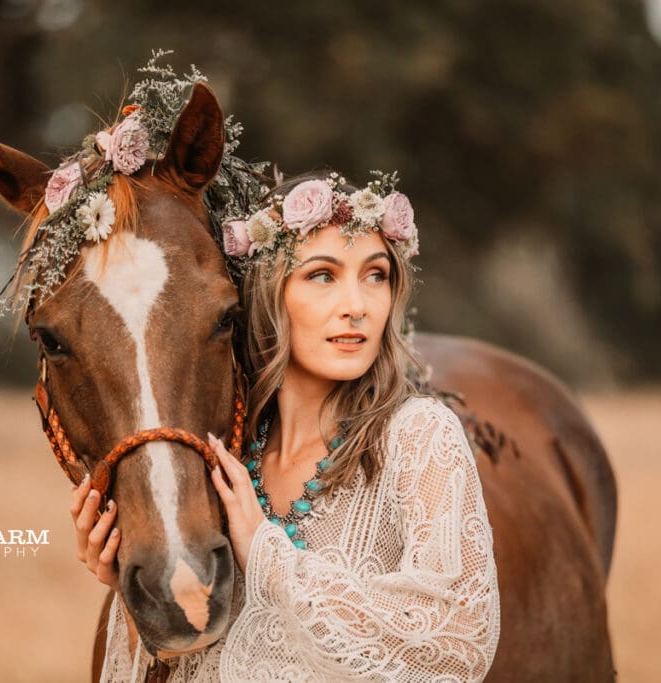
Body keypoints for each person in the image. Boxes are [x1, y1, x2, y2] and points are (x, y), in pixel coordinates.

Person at [71, 171, 501, 681]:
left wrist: (270, 560)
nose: (357, 307)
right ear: (269, 292)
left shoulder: (420, 437)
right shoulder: (224, 460)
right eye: (323, 275)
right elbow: (194, 666)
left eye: (376, 275)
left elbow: (460, 641)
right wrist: (131, 587)